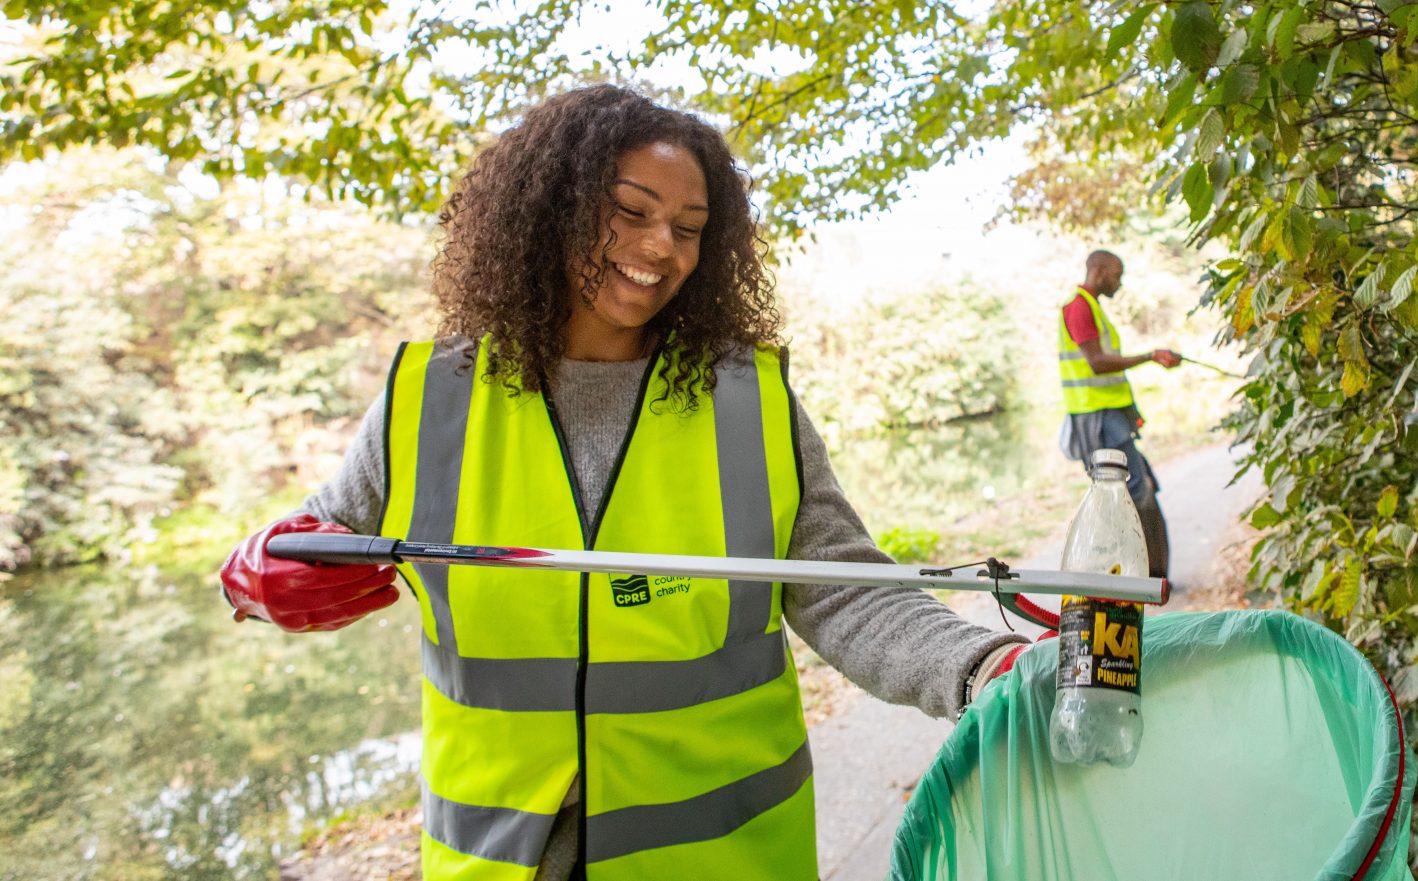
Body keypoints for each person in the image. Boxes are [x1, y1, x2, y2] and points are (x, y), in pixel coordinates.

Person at [216, 84, 1034, 881]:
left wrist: (987, 669)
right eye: (631, 211)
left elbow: (843, 588)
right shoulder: (433, 397)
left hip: (723, 857)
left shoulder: (747, 400)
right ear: (551, 210)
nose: (661, 248)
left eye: (689, 227)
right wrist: (253, 575)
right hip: (495, 858)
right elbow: (313, 540)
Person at [1057, 250, 1178, 578]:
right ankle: (1142, 578)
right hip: (1096, 419)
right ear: (1098, 270)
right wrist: (1151, 356)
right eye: (1116, 274)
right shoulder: (1079, 308)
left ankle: (1151, 575)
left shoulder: (1092, 308)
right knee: (1132, 492)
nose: (1119, 282)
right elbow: (1097, 364)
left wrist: (1130, 412)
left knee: (1142, 488)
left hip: (1110, 416)